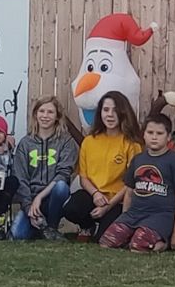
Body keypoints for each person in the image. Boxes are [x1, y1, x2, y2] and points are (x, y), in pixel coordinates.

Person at [99, 114, 175, 253]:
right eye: (150, 132)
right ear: (144, 135)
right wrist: (125, 218)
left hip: (161, 216)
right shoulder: (138, 159)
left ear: (168, 137)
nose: (154, 137)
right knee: (106, 242)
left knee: (138, 247)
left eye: (159, 133)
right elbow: (129, 192)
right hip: (134, 214)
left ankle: (163, 244)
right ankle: (132, 236)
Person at [60, 91, 142, 241]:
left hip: (118, 201)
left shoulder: (132, 144)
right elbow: (83, 177)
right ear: (100, 113)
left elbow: (132, 184)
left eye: (115, 110)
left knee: (103, 238)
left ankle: (102, 227)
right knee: (71, 208)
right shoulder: (89, 142)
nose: (110, 115)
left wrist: (108, 206)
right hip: (94, 195)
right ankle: (87, 225)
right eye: (106, 110)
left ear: (123, 113)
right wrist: (95, 194)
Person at [10, 96, 82, 241]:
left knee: (61, 186)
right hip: (31, 200)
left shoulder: (66, 142)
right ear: (36, 114)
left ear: (57, 117)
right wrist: (29, 206)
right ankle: (41, 227)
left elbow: (64, 174)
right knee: (18, 235)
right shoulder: (25, 143)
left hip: (53, 198)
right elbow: (20, 178)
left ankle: (52, 227)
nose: (45, 116)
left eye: (50, 112)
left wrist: (40, 197)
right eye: (41, 111)